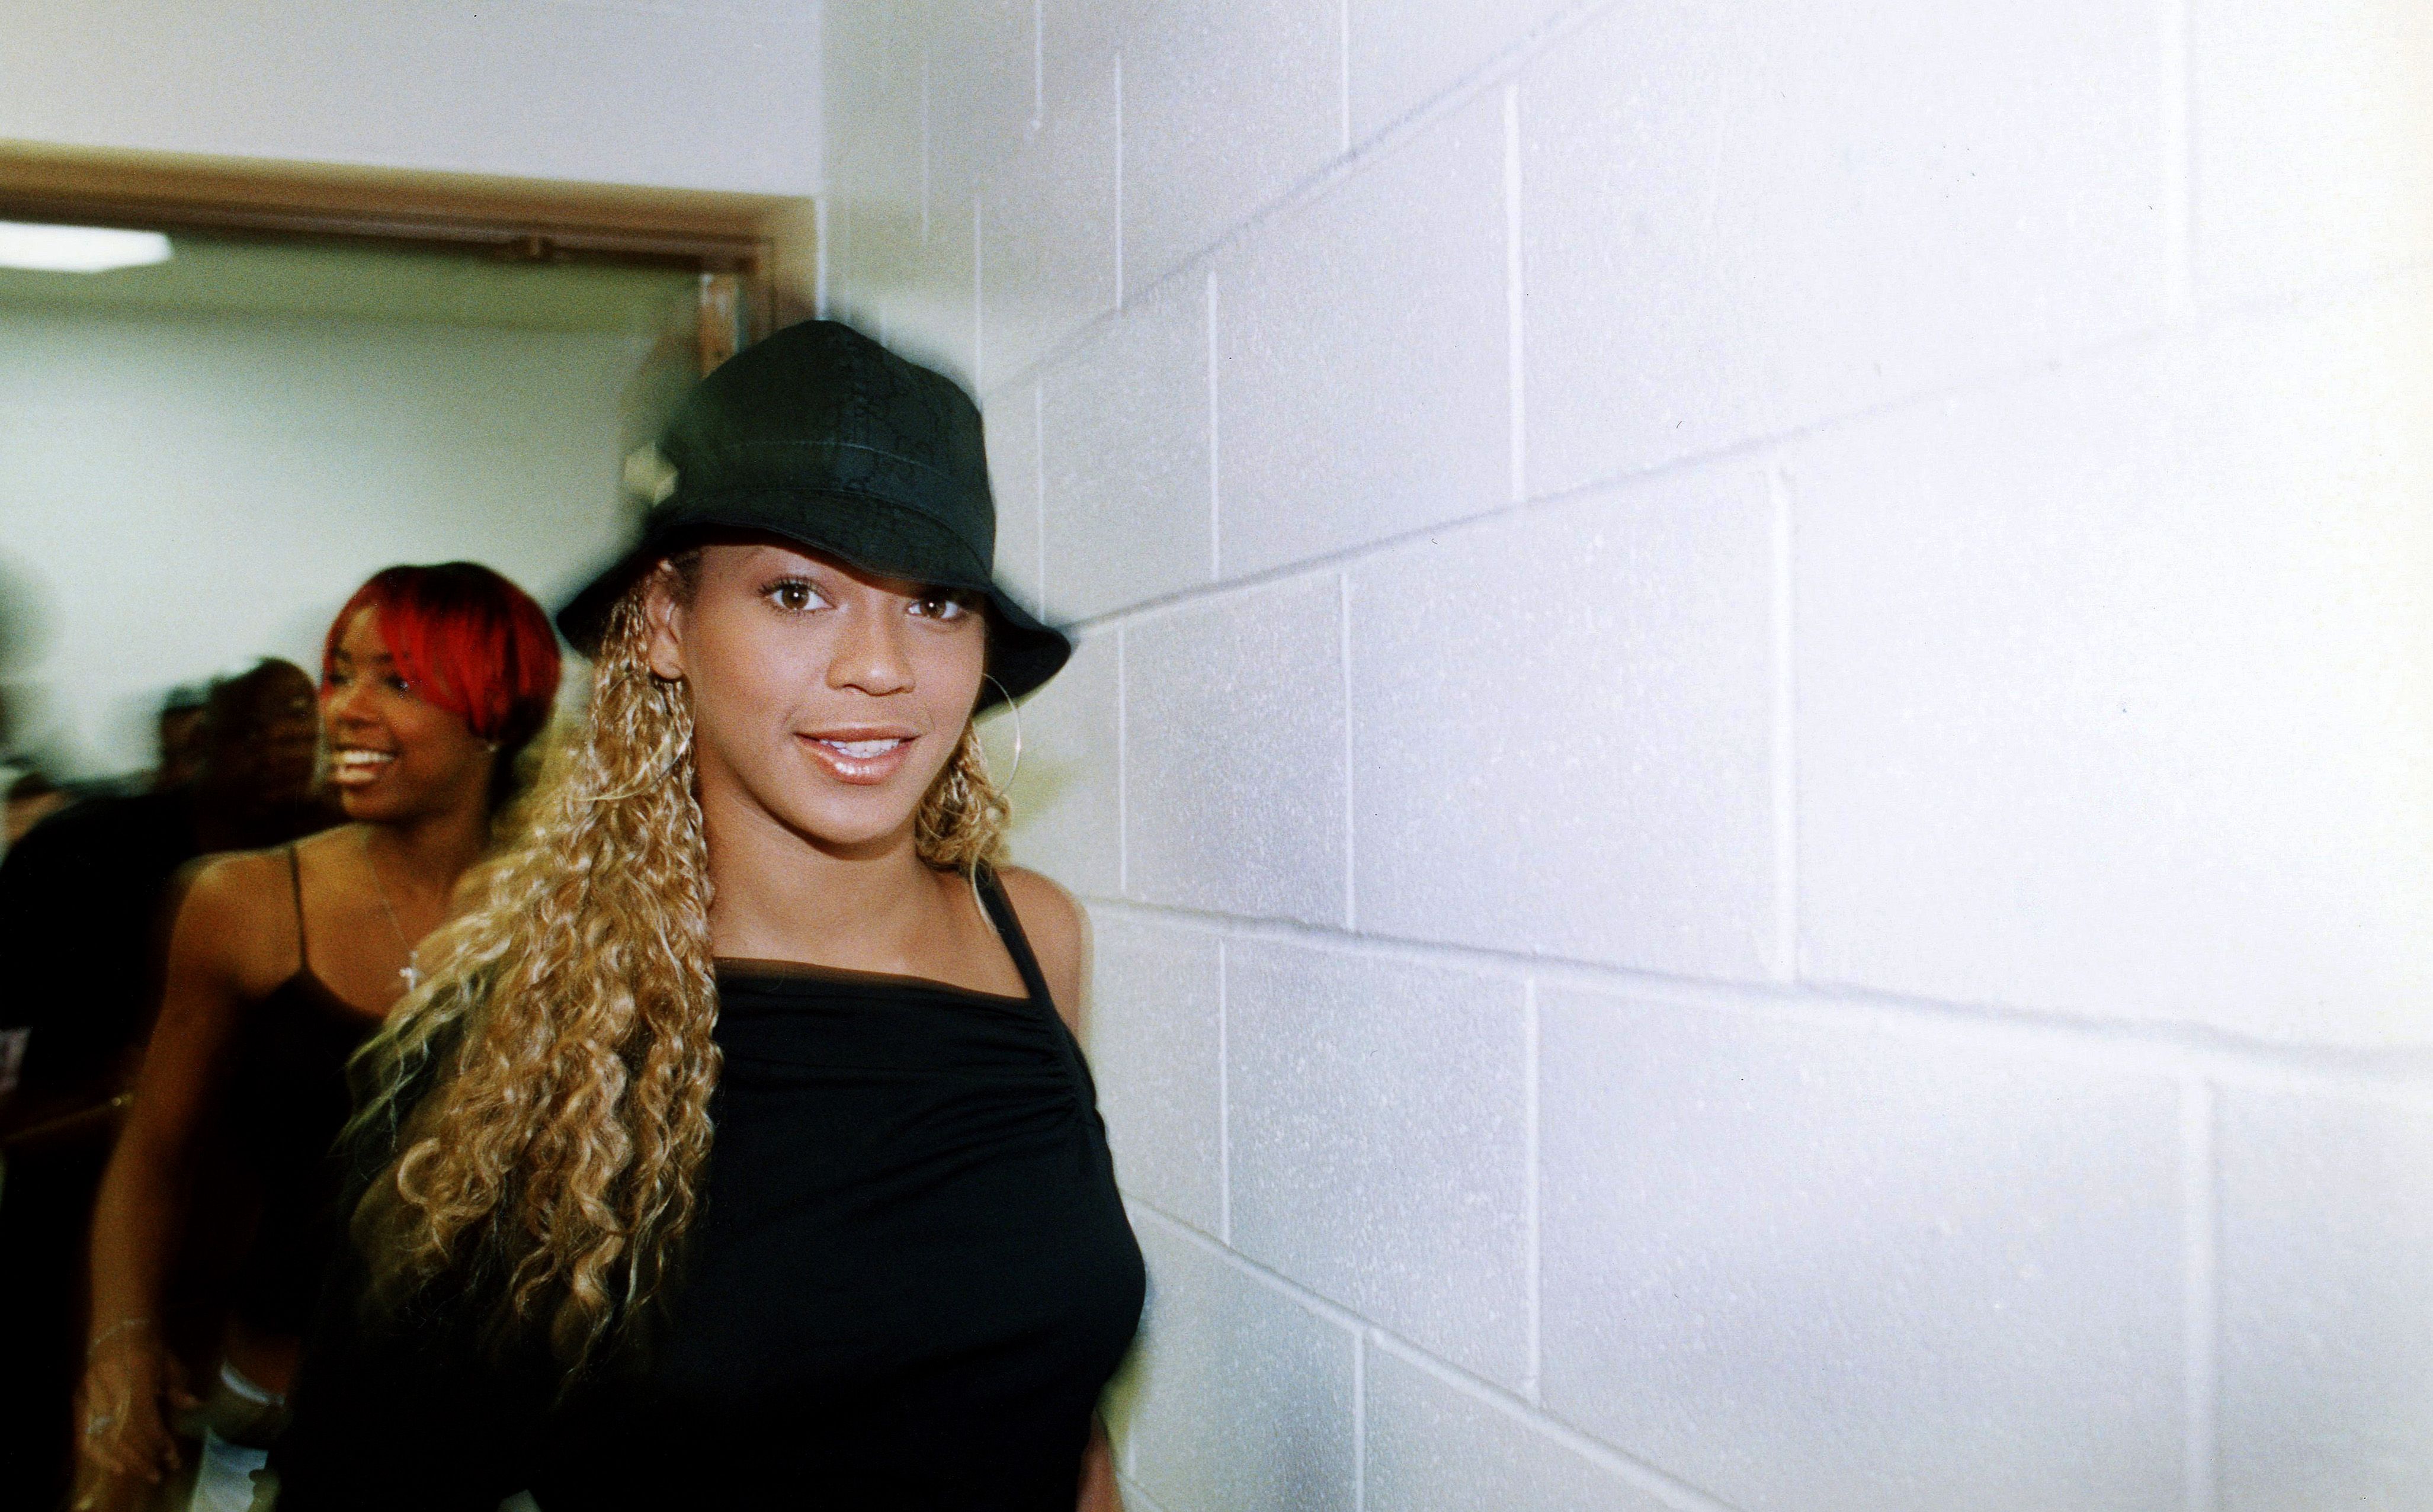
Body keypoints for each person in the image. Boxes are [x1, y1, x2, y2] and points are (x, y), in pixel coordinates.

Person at [269, 322, 1143, 1511]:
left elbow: (1063, 1426)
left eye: (935, 601)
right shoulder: (527, 1043)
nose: (881, 666)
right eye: (797, 593)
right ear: (663, 623)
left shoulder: (1032, 938)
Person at [75, 566, 560, 1512]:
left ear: (495, 711)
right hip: (274, 1417)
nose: (345, 710)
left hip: (494, 1432)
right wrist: (121, 1341)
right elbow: (154, 1155)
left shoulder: (564, 917)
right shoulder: (245, 903)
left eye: (400, 682)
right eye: (342, 674)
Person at [0, 661, 329, 1512]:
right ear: (200, 745)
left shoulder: (327, 868)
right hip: (66, 1206)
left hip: (236, 1254)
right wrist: (81, 1103)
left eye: (301, 733)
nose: (283, 753)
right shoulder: (85, 849)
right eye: (259, 732)